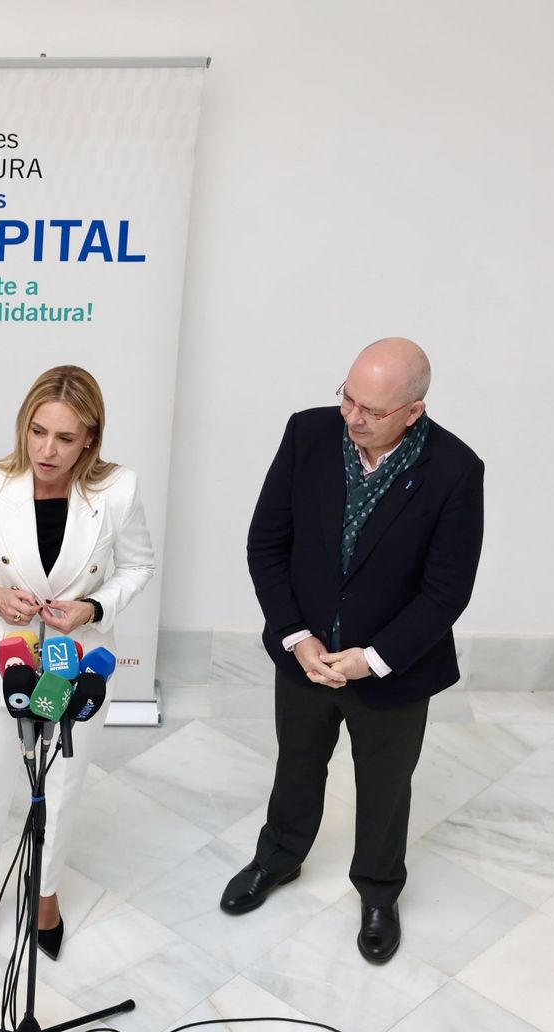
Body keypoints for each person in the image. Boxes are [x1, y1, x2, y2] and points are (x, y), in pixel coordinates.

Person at [219, 337, 484, 964]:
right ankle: (279, 858)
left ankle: (378, 892)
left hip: (393, 670)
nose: (352, 416)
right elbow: (266, 544)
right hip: (306, 656)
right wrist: (295, 635)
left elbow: (446, 592)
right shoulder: (307, 434)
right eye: (348, 397)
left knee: (386, 786)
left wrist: (375, 658)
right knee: (297, 763)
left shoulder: (455, 471)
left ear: (413, 411)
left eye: (372, 409)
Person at [0, 365, 156, 962]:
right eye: (37, 432)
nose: (47, 450)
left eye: (64, 437)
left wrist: (93, 607)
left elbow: (138, 566)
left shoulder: (118, 490)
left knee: (63, 785)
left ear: (90, 440)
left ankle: (46, 889)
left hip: (76, 664)